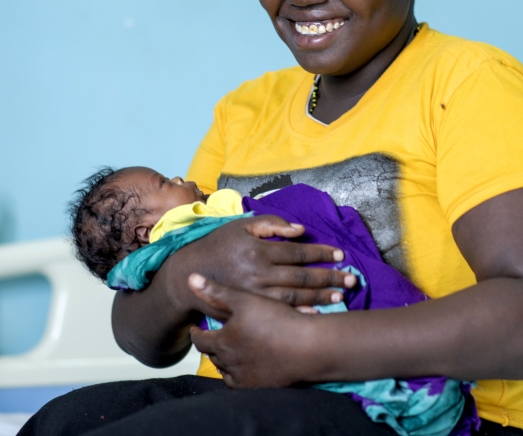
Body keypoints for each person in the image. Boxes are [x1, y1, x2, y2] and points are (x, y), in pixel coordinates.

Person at [19, 0, 523, 436]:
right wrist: (192, 266)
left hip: (424, 416)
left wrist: (311, 345)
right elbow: (144, 337)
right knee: (62, 424)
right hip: (253, 401)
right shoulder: (244, 110)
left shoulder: (470, 85)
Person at [68, 166, 478, 435]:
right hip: (240, 378)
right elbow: (133, 325)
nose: (179, 177)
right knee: (66, 419)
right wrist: (187, 270)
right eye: (164, 182)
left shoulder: (466, 77)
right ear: (145, 234)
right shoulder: (234, 118)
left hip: (343, 354)